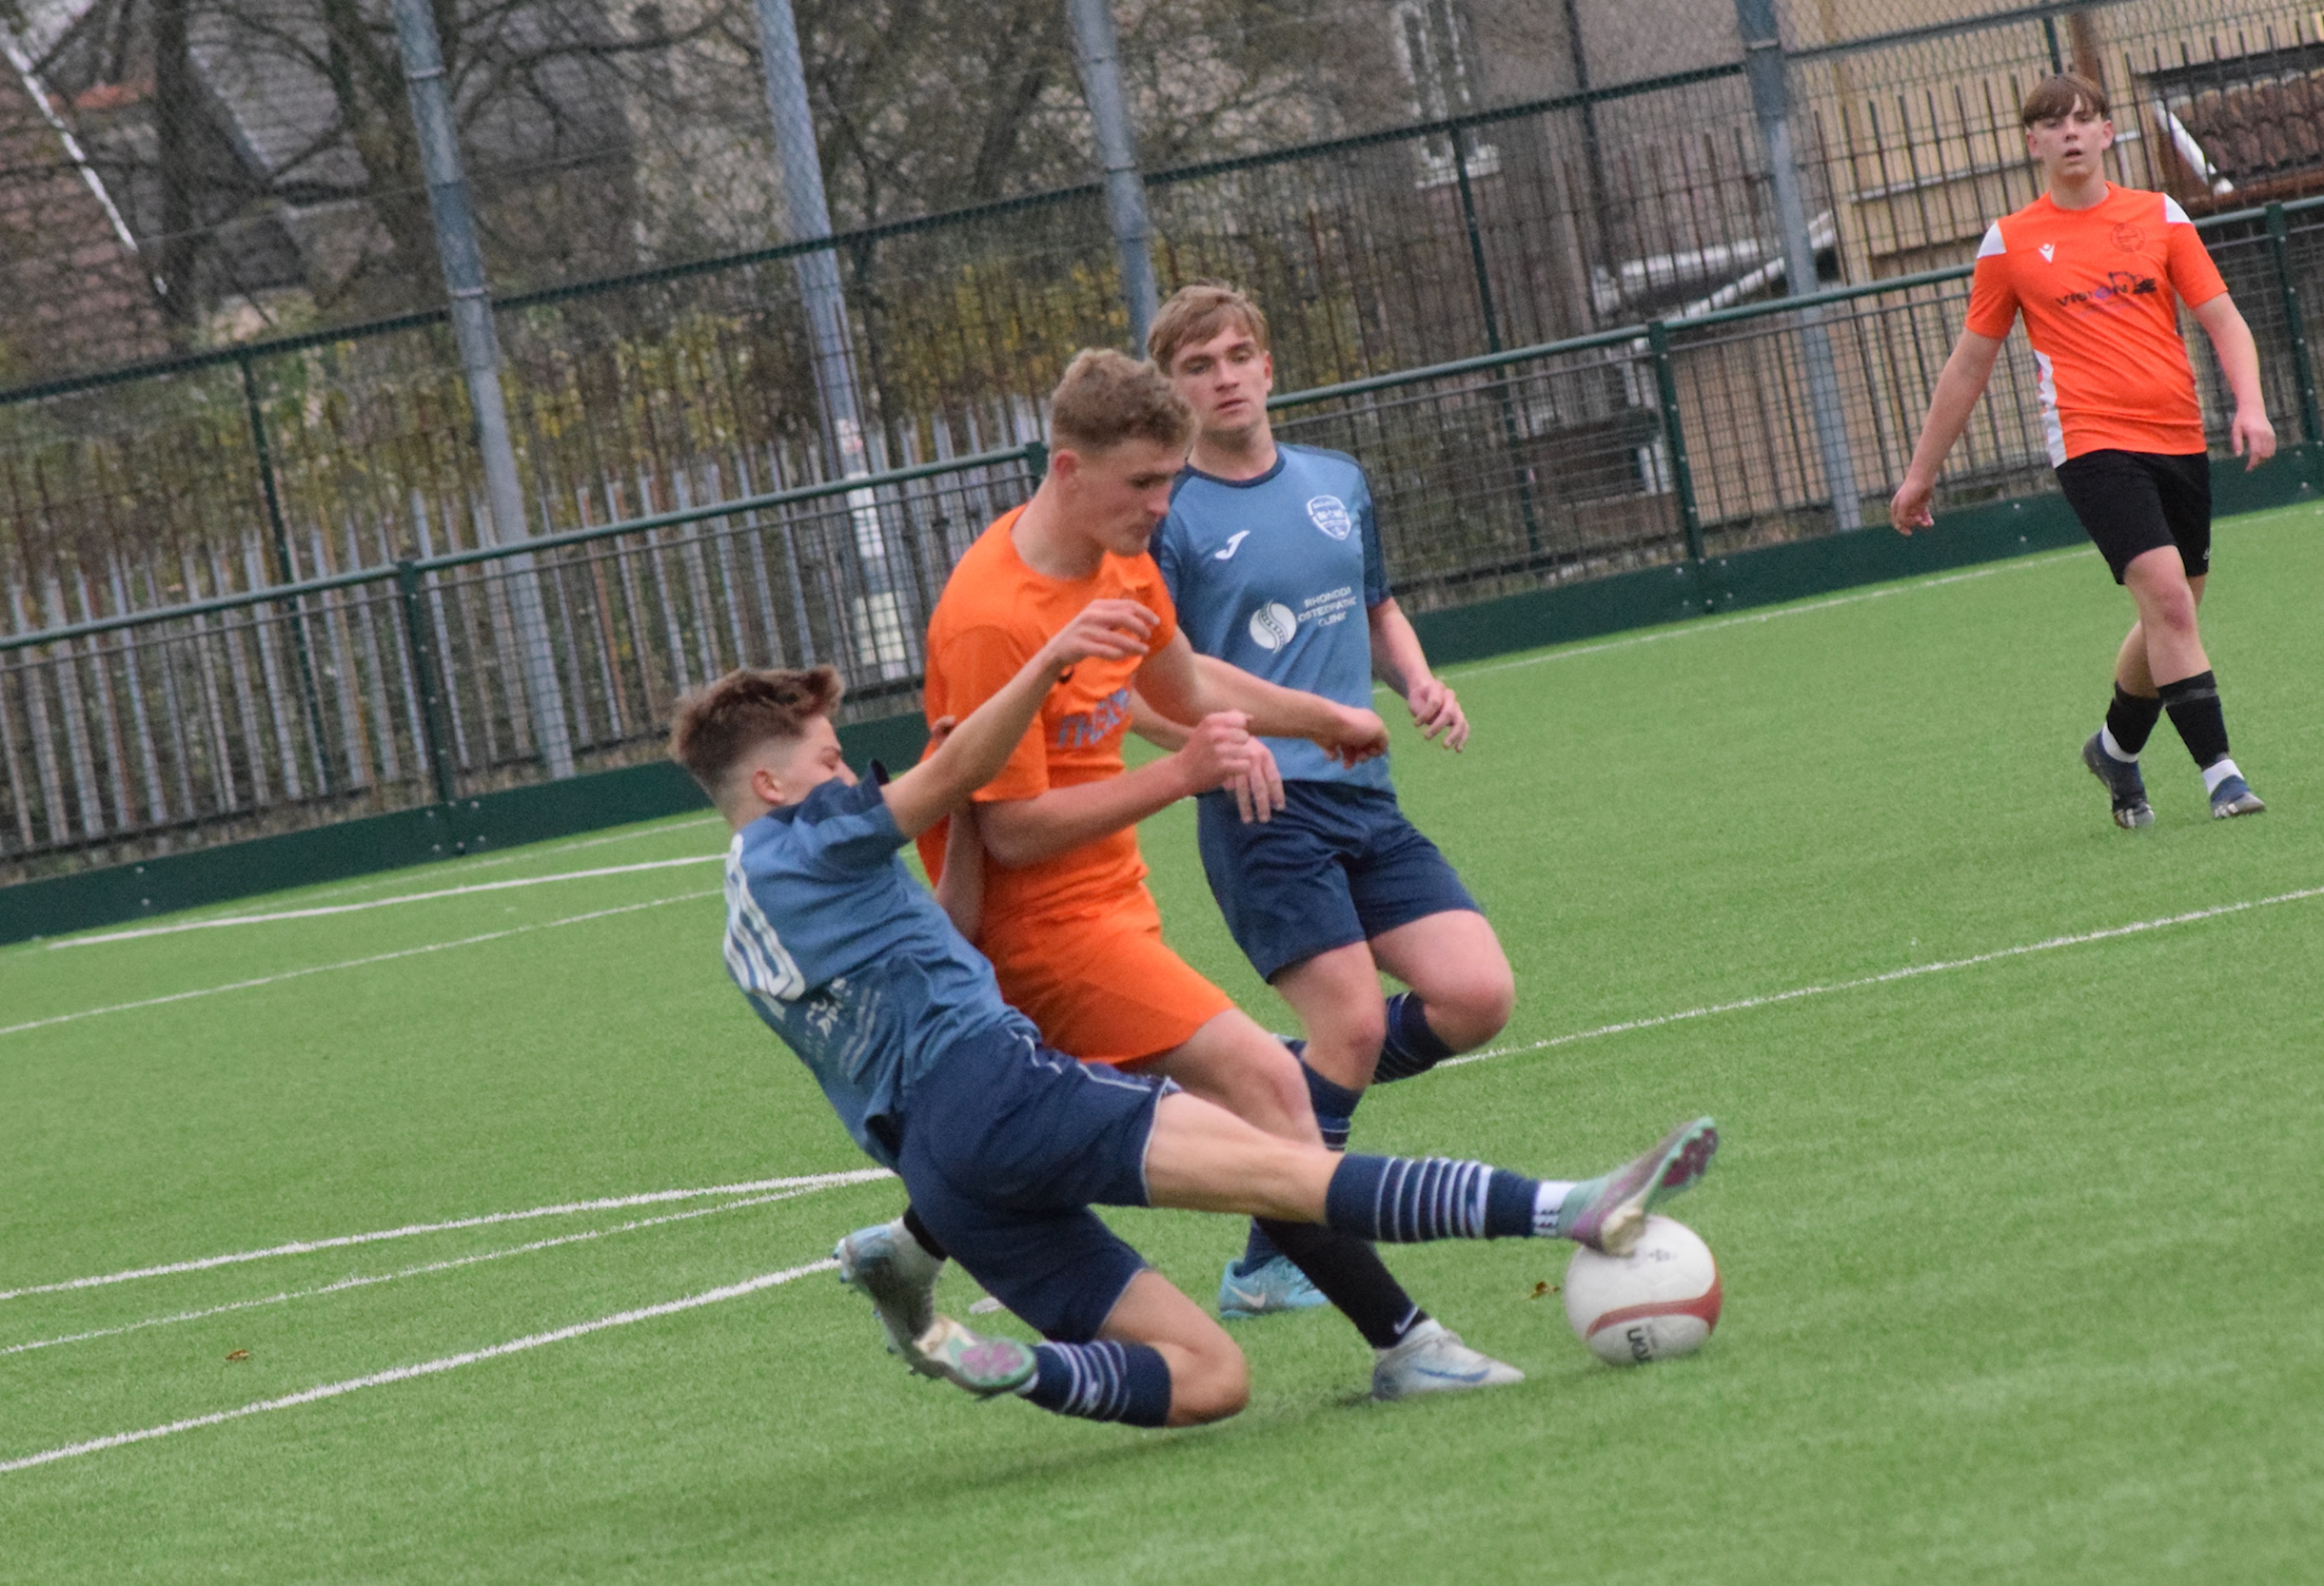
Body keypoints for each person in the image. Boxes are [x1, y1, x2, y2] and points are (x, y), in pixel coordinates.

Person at [668, 620, 1720, 1429]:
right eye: (829, 756)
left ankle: (1029, 1368)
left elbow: (949, 931)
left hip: (944, 1176)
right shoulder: (799, 843)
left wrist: (972, 836)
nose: (848, 772)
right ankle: (1572, 1207)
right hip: (1002, 1090)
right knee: (1286, 1166)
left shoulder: (745, 918)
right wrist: (1041, 668)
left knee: (1209, 1378)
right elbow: (947, 773)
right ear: (768, 782)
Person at [846, 348, 1523, 1400]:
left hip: (1112, 908)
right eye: (1143, 483)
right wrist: (1183, 772)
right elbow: (1014, 833)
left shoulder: (1121, 557)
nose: (1164, 503)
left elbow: (1185, 675)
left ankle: (914, 1242)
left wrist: (1323, 716)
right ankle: (1405, 1342)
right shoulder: (991, 615)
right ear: (1066, 468)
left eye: (1169, 480)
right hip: (1041, 936)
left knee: (1113, 1112)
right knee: (1266, 1092)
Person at [1132, 282, 1518, 1320]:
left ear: (1268, 366)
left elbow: (1376, 604)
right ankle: (1270, 1256)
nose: (1223, 378)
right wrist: (1208, 750)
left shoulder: (1335, 481)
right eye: (1197, 365)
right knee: (1347, 1023)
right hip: (1265, 812)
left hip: (1367, 799)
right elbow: (1139, 687)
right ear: (1171, 390)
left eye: (1236, 355)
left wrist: (1418, 678)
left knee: (1475, 995)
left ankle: (1270, 1091)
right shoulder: (1166, 516)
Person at [1890, 71, 2271, 827]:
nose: (2070, 132)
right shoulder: (2011, 243)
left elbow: (2224, 320)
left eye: (2084, 119)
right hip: (2091, 442)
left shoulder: (2159, 216)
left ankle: (2114, 750)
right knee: (2166, 596)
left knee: (2174, 610)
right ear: (2032, 142)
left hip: (2177, 434)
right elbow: (1969, 366)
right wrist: (1920, 475)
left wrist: (2251, 404)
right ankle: (2221, 774)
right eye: (2053, 123)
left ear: (2106, 133)